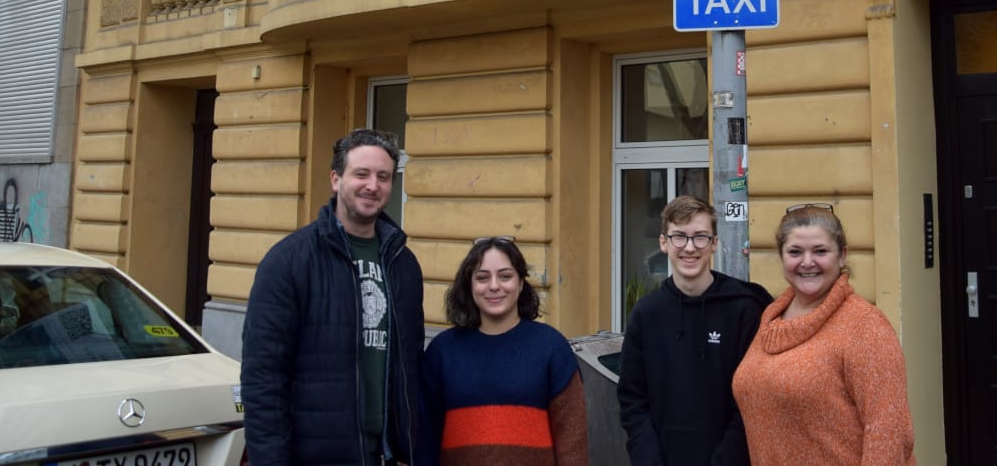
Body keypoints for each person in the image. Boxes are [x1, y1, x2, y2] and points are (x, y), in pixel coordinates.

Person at [241, 128, 424, 465]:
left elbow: (410, 366)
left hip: (385, 454)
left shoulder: (403, 264)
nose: (373, 185)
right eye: (362, 174)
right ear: (336, 179)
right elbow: (263, 379)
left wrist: (407, 448)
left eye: (384, 177)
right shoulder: (289, 261)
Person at [732, 203, 915, 466]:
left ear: (842, 256)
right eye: (795, 252)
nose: (808, 262)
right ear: (781, 257)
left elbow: (889, 434)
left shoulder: (864, 326)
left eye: (820, 251)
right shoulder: (771, 321)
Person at [617, 195, 771, 466]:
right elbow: (633, 400)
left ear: (714, 244)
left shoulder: (744, 309)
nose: (689, 247)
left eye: (700, 237)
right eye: (679, 236)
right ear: (663, 242)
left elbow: (752, 403)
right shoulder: (646, 313)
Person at [418, 236, 588, 466]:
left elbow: (572, 440)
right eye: (482, 277)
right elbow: (424, 441)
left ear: (520, 283)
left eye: (505, 276)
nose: (494, 286)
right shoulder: (442, 352)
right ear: (469, 285)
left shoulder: (551, 347)